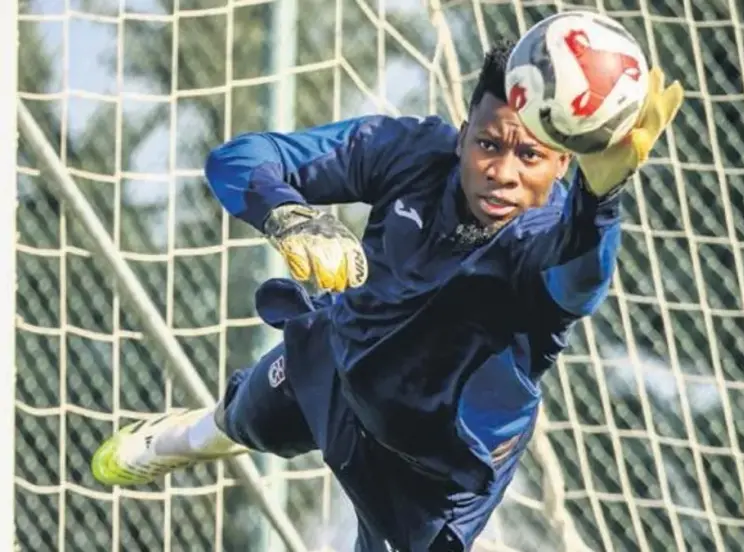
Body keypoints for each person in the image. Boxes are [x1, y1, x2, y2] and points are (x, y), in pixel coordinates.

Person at [91, 40, 683, 551]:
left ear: (561, 163)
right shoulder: (413, 153)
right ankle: (184, 438)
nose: (503, 172)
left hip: (432, 473)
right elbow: (240, 159)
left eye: (529, 155)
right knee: (249, 418)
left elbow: (579, 286)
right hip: (337, 359)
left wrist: (599, 203)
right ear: (463, 136)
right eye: (488, 144)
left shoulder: (547, 240)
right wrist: (289, 215)